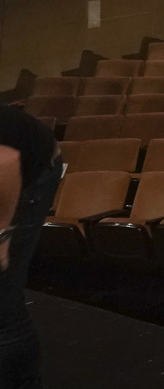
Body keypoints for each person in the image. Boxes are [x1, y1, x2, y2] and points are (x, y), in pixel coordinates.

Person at [0, 104, 59, 389]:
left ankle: (21, 382)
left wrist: (1, 238)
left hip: (26, 171)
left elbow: (6, 161)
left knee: (1, 296)